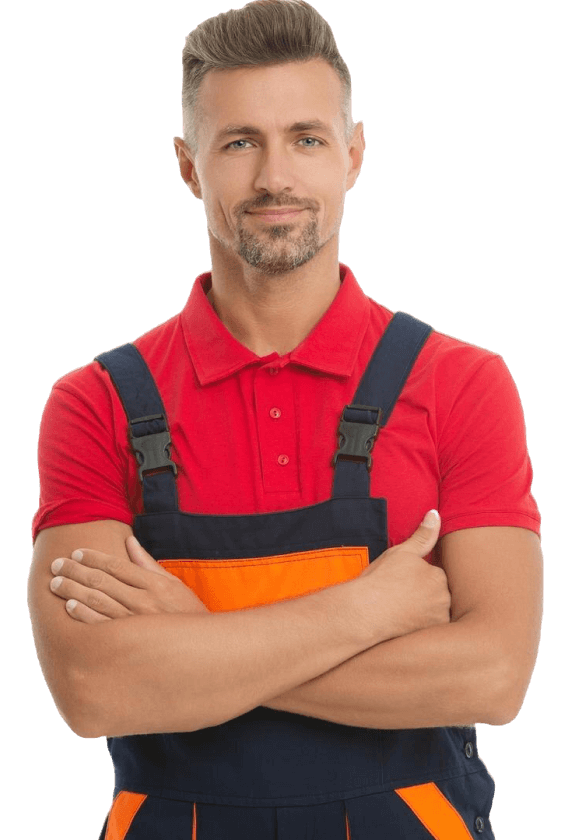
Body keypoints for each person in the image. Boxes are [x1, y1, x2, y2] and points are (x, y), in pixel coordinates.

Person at [28, 2, 543, 838]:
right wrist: (364, 613)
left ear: (353, 154)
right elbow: (94, 690)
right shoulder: (96, 402)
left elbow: (493, 675)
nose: (275, 178)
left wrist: (194, 643)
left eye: (306, 138)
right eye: (240, 143)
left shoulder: (461, 382)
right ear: (189, 166)